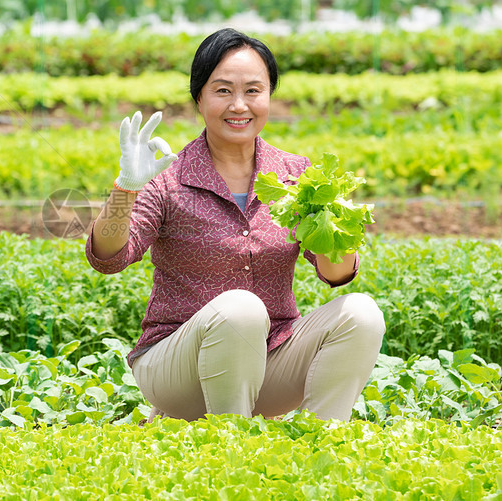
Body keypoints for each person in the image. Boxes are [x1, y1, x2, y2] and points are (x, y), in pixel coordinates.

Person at [85, 28, 385, 422]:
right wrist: (126, 188)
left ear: (270, 97)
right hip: (177, 369)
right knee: (241, 308)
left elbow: (337, 274)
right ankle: (231, 442)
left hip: (268, 361)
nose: (239, 105)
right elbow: (108, 258)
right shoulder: (168, 178)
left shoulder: (296, 176)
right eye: (223, 91)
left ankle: (321, 440)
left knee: (361, 313)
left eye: (254, 91)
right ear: (199, 98)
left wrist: (333, 220)